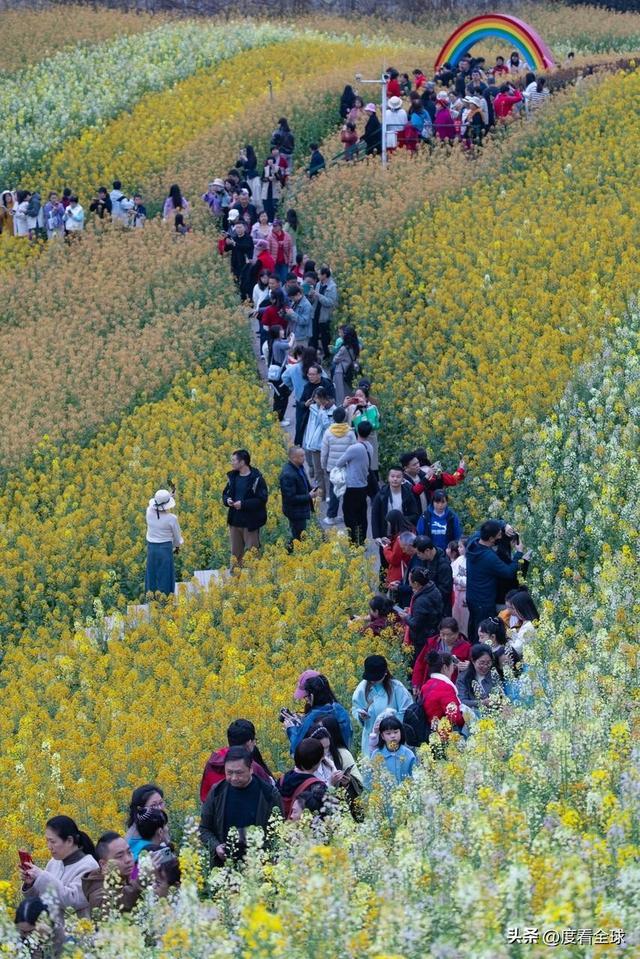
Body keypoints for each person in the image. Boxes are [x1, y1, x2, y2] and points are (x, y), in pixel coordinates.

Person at [200, 747, 283, 864]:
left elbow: (278, 833)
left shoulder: (269, 794)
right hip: (225, 867)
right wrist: (216, 847)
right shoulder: (217, 792)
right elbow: (204, 829)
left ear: (251, 769)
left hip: (259, 866)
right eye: (229, 772)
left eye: (239, 773)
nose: (234, 778)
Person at [20, 816, 98, 919]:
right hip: (50, 929)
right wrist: (31, 884)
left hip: (76, 932)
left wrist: (41, 876)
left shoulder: (89, 866)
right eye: (47, 841)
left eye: (52, 841)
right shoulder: (54, 862)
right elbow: (43, 899)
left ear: (69, 841)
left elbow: (72, 901)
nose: (49, 846)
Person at [466, 520, 526, 641]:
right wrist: (519, 553)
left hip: (472, 596)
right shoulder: (488, 557)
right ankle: (481, 654)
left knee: (474, 627)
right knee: (484, 632)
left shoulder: (473, 541)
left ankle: (473, 652)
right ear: (491, 539)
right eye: (499, 534)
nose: (500, 535)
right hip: (484, 601)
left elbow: (488, 524)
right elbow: (509, 572)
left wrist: (504, 525)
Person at [352, 655, 412, 756]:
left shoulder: (396, 687)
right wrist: (361, 716)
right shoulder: (363, 687)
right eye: (370, 678)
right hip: (371, 737)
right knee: (373, 765)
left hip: (392, 735)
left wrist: (392, 721)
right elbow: (356, 707)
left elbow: (406, 710)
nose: (372, 681)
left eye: (376, 678)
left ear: (385, 673)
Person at [200, 719, 274, 801]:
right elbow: (271, 794)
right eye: (254, 740)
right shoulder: (251, 767)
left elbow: (205, 796)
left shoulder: (212, 762)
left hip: (215, 812)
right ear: (249, 743)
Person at [283, 673, 353, 753]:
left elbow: (297, 750)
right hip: (345, 756)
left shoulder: (313, 717)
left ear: (312, 696)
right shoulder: (339, 709)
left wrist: (291, 729)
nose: (306, 701)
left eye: (306, 697)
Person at [222, 449, 268, 567]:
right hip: (234, 522)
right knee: (235, 554)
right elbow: (225, 494)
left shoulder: (257, 479)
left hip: (250, 523)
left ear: (242, 462)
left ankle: (256, 580)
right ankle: (235, 580)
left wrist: (243, 504)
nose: (231, 463)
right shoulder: (233, 477)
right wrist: (227, 500)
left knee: (253, 553)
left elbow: (261, 500)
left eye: (233, 460)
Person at [82, 833, 141, 915]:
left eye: (129, 852)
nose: (128, 859)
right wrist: (140, 882)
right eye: (120, 856)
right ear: (103, 864)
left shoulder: (127, 874)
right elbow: (117, 905)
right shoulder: (97, 894)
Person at [335, 420, 373, 545]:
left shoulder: (354, 448)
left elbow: (339, 463)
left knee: (349, 515)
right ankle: (361, 541)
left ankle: (353, 542)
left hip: (352, 486)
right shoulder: (369, 446)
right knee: (362, 515)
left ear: (357, 430)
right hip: (363, 485)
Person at [411, 616, 471, 691]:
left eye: (449, 635)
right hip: (432, 685)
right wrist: (416, 684)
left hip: (454, 686)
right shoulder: (432, 643)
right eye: (442, 634)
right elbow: (420, 663)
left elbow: (473, 665)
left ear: (457, 633)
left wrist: (468, 665)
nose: (445, 638)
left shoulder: (466, 647)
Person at [396, 567, 443, 661]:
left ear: (416, 583)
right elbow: (428, 612)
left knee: (419, 662)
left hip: (422, 639)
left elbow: (416, 624)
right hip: (433, 632)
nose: (409, 584)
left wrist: (406, 617)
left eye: (410, 581)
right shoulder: (433, 589)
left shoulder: (421, 601)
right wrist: (411, 610)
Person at [145, 487, 183, 596]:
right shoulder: (172, 518)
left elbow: (157, 506)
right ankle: (166, 599)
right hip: (165, 548)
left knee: (152, 572)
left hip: (151, 548)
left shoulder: (149, 512)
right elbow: (177, 538)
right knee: (165, 573)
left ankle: (151, 597)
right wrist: (177, 546)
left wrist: (168, 497)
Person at [321, 406, 355, 525]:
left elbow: (324, 452)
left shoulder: (328, 432)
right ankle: (348, 515)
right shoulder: (350, 432)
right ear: (345, 417)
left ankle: (331, 516)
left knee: (334, 491)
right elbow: (354, 450)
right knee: (348, 492)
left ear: (333, 418)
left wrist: (323, 465)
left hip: (333, 467)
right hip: (347, 467)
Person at [279, 445, 319, 543]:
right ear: (293, 458)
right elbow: (290, 498)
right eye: (301, 456)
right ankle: (290, 554)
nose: (304, 458)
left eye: (304, 455)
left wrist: (312, 489)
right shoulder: (288, 474)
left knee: (300, 536)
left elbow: (304, 483)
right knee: (298, 538)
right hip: (295, 512)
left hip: (300, 510)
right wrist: (309, 496)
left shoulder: (299, 467)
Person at [278, 739, 325, 819]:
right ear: (316, 761)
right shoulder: (316, 785)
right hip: (301, 828)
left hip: (281, 827)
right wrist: (332, 783)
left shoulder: (283, 779)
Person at [372, 466, 420, 544]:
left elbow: (415, 514)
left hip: (403, 533)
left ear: (403, 479)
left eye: (398, 477)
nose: (395, 479)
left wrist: (400, 519)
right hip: (385, 533)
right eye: (392, 476)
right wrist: (377, 536)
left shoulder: (408, 493)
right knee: (386, 554)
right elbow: (375, 516)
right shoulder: (381, 494)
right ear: (388, 478)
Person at [420, 651, 465, 733]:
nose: (453, 670)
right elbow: (455, 718)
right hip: (444, 733)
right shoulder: (445, 688)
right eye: (452, 666)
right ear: (445, 667)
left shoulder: (427, 685)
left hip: (431, 729)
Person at [302, 388, 335, 499]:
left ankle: (332, 495)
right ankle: (322, 495)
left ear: (322, 398)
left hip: (326, 444)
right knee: (318, 471)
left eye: (316, 398)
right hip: (315, 445)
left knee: (329, 471)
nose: (314, 400)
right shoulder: (313, 408)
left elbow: (327, 426)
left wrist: (321, 412)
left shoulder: (332, 409)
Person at [368, 716, 416, 785]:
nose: (393, 736)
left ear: (401, 733)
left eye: (396, 732)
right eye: (388, 733)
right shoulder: (376, 754)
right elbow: (371, 779)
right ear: (382, 736)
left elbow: (415, 777)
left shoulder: (409, 754)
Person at [414, 535, 454, 615]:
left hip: (440, 609)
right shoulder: (426, 558)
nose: (418, 556)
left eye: (418, 553)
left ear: (427, 551)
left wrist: (424, 593)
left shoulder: (443, 565)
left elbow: (444, 591)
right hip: (428, 604)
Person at [456, 643, 502, 711]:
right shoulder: (463, 678)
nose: (485, 666)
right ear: (473, 661)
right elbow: (461, 701)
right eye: (482, 663)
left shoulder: (494, 674)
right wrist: (481, 703)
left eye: (488, 662)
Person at [345, 387, 380, 476]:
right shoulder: (351, 408)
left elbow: (373, 425)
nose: (358, 397)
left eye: (361, 395)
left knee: (371, 468)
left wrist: (364, 408)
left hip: (369, 442)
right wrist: (344, 405)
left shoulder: (372, 408)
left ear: (366, 397)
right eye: (356, 395)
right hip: (355, 442)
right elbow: (339, 417)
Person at [308, 266, 338, 357]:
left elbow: (330, 302)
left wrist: (318, 295)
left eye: (319, 274)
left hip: (324, 317)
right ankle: (312, 356)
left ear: (324, 275)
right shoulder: (318, 284)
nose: (317, 276)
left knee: (325, 339)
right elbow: (315, 300)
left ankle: (327, 357)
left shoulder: (332, 287)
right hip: (315, 314)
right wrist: (311, 296)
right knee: (313, 337)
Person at [331, 325, 360, 405]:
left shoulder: (344, 348)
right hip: (350, 371)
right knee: (350, 392)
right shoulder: (357, 346)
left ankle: (342, 412)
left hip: (341, 373)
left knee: (341, 395)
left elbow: (335, 359)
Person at [285, 281, 313, 346]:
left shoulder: (306, 305)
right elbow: (292, 318)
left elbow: (304, 321)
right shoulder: (295, 302)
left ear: (298, 294)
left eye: (292, 298)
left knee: (300, 355)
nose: (292, 300)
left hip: (302, 336)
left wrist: (292, 314)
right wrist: (285, 315)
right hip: (293, 334)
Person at [451, 536, 469, 635]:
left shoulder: (471, 561)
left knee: (465, 621)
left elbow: (471, 580)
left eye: (461, 547)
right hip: (456, 592)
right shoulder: (459, 559)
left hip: (465, 593)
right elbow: (451, 572)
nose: (458, 549)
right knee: (456, 618)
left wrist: (457, 579)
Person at [269, 219, 294, 284]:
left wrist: (290, 260)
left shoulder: (287, 236)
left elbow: (290, 249)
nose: (274, 227)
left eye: (276, 226)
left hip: (284, 261)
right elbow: (268, 250)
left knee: (284, 279)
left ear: (280, 226)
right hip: (274, 262)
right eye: (273, 226)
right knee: (275, 279)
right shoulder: (270, 236)